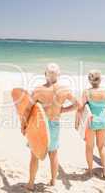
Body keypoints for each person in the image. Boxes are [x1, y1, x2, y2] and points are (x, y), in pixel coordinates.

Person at [23, 63, 78, 191]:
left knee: (34, 154)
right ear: (59, 75)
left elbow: (27, 110)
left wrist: (23, 125)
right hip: (54, 124)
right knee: (53, 153)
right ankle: (53, 180)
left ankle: (31, 183)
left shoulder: (38, 90)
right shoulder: (64, 90)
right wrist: (62, 110)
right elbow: (77, 104)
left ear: (45, 74)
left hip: (39, 124)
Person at [76, 70, 105, 179]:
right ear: (100, 80)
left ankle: (90, 170)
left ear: (89, 80)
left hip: (91, 121)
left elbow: (81, 108)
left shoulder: (86, 92)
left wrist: (77, 121)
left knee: (89, 147)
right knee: (102, 146)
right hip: (104, 120)